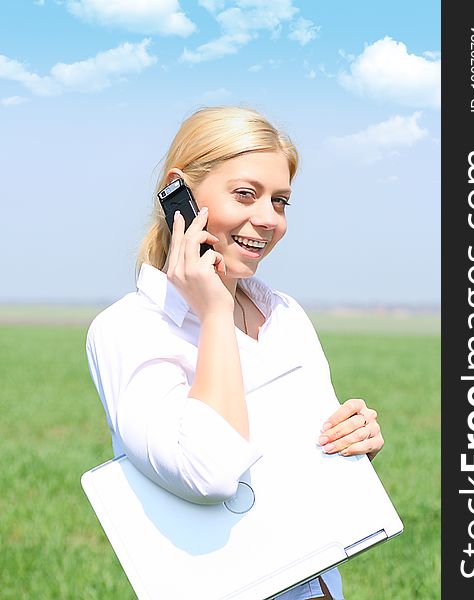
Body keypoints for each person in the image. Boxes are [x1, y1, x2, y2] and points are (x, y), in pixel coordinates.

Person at [86, 106, 384, 600]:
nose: (268, 220)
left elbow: (304, 468)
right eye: (246, 194)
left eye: (281, 201)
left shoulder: (284, 314)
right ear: (178, 193)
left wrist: (356, 443)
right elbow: (211, 474)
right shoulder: (128, 329)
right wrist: (214, 314)